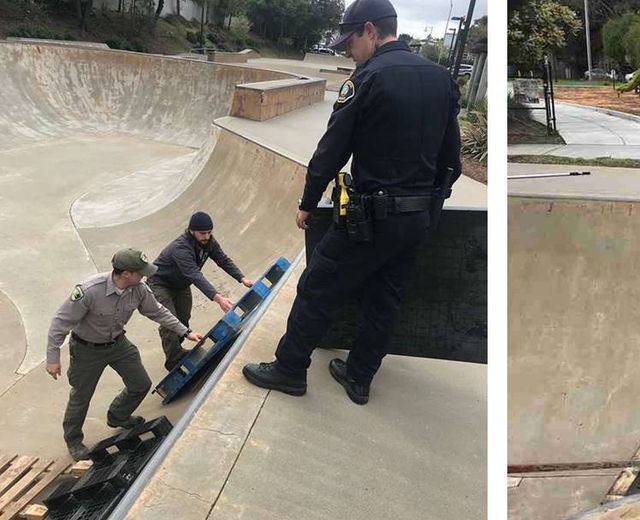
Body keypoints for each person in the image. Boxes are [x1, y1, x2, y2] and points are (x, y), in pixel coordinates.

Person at [241, 0, 462, 404]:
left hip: (371, 218)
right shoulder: (441, 79)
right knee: (385, 299)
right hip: (416, 220)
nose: (346, 50)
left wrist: (308, 202)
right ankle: (359, 379)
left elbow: (331, 150)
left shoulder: (369, 78)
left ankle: (290, 369)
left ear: (372, 31)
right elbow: (452, 160)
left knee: (317, 287)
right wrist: (428, 205)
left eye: (351, 40)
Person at [46, 248, 204, 461]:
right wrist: (53, 358)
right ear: (127, 273)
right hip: (87, 350)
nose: (145, 275)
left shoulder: (138, 288)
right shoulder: (90, 290)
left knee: (140, 384)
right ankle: (73, 440)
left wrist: (185, 331)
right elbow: (60, 323)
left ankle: (118, 416)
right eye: (141, 272)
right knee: (81, 396)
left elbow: (157, 311)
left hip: (118, 344)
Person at [147, 211, 253, 370]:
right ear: (191, 231)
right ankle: (173, 359)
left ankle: (176, 347)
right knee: (170, 320)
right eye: (202, 233)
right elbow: (195, 275)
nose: (206, 236)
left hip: (180, 284)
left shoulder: (209, 242)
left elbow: (222, 259)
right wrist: (218, 298)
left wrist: (242, 278)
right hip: (160, 284)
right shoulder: (181, 247)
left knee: (183, 317)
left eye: (209, 232)